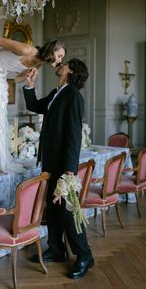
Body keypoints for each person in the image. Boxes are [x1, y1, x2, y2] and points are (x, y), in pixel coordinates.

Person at [23, 58, 94, 279]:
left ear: (70, 70)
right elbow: (35, 106)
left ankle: (84, 255)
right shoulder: (57, 93)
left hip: (64, 166)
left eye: (64, 63)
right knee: (52, 208)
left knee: (68, 210)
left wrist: (70, 171)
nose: (59, 65)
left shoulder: (73, 96)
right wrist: (30, 85)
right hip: (50, 162)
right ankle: (56, 249)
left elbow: (73, 135)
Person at [0, 37, 66, 175]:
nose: (60, 61)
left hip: (0, 77)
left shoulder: (38, 64)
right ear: (51, 51)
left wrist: (28, 78)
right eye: (59, 56)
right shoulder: (27, 50)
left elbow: (14, 79)